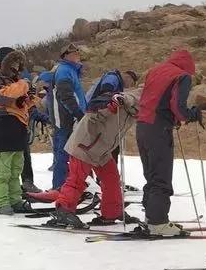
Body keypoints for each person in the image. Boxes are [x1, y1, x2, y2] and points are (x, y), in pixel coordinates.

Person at [135, 49, 203, 236]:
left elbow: (153, 98)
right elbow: (178, 107)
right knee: (161, 176)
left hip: (142, 126)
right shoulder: (182, 76)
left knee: (151, 174)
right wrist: (190, 115)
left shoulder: (155, 70)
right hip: (159, 129)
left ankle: (151, 217)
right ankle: (158, 223)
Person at [51, 88, 140, 228]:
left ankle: (112, 212)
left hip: (102, 149)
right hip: (85, 145)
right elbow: (95, 106)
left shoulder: (136, 110)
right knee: (76, 179)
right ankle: (64, 211)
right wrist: (114, 101)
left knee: (112, 179)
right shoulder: (129, 100)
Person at [0, 48, 32, 215]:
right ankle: (0, 201)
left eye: (18, 63)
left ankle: (14, 198)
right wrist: (23, 85)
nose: (16, 67)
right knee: (3, 167)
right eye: (13, 62)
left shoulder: (14, 80)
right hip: (3, 124)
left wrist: (30, 98)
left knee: (16, 167)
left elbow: (19, 103)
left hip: (18, 124)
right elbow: (1, 97)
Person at [46, 44, 87, 192]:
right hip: (66, 119)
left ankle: (68, 187)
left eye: (78, 52)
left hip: (70, 117)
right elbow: (66, 96)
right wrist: (78, 114)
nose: (77, 54)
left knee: (68, 154)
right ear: (65, 56)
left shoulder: (71, 70)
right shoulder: (64, 70)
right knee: (64, 154)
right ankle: (59, 187)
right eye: (74, 52)